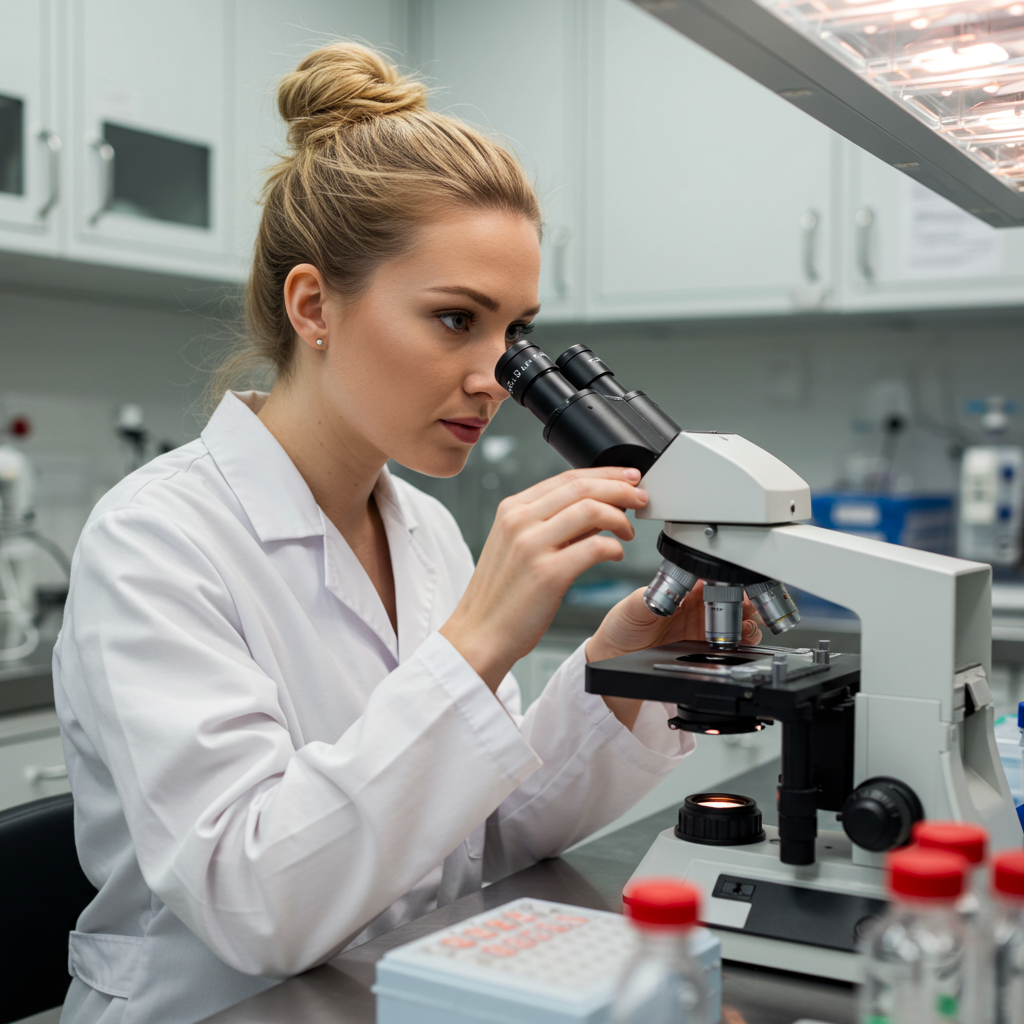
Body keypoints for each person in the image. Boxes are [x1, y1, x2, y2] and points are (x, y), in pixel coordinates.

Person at [54, 43, 761, 1024]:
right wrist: (476, 640)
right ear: (314, 306)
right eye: (454, 320)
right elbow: (250, 901)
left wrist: (617, 676)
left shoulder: (422, 526)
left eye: (515, 333)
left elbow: (482, 830)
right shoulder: (156, 539)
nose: (496, 376)